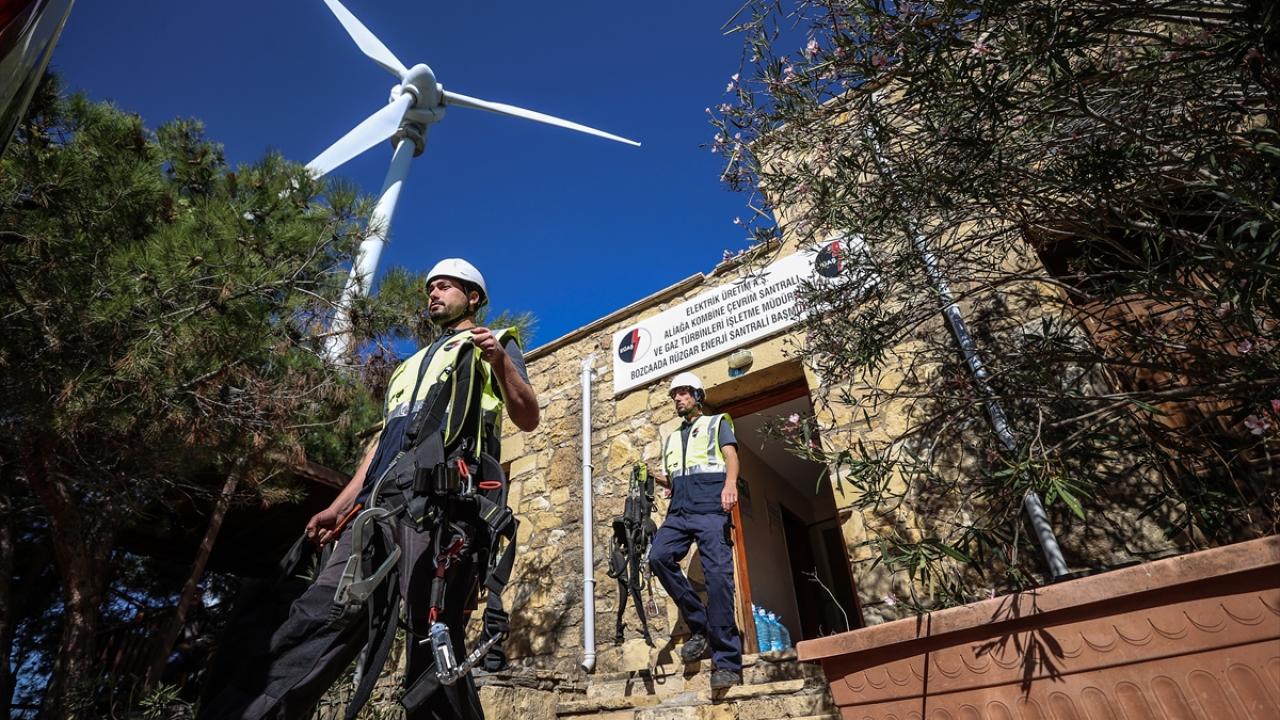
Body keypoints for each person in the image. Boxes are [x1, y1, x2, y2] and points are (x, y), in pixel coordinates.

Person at [200, 258, 538, 720]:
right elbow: (380, 447)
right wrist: (338, 507)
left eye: (445, 287)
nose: (433, 294)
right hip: (372, 512)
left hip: (440, 508)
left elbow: (528, 415)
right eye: (429, 288)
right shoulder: (406, 368)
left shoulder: (493, 344)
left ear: (473, 297)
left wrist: (499, 363)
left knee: (432, 632)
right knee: (318, 616)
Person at [648, 371, 743, 690]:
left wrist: (730, 485)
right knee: (658, 557)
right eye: (674, 394)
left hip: (711, 508)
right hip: (680, 511)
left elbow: (730, 456)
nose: (677, 397)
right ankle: (700, 626)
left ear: (698, 396)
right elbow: (679, 475)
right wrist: (666, 482)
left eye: (684, 392)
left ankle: (727, 660)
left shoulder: (717, 423)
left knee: (718, 579)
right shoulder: (672, 438)